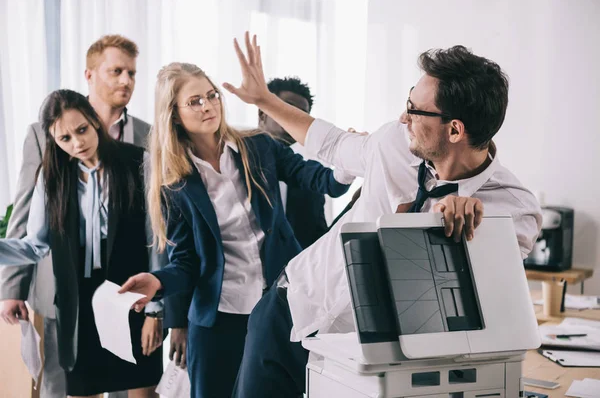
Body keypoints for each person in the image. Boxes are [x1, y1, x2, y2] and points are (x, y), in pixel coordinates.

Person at [219, 33, 543, 397]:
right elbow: (332, 143)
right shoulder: (395, 142)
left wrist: (472, 234)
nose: (403, 116)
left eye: (415, 109)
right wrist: (265, 100)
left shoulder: (511, 208)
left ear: (455, 129)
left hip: (363, 355)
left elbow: (488, 301)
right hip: (292, 306)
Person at [118, 62, 353, 398]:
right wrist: (158, 282)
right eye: (195, 101)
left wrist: (347, 161)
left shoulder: (258, 146)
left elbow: (321, 180)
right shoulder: (174, 183)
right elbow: (185, 262)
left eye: (211, 96)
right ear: (173, 114)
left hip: (277, 306)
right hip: (218, 318)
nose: (208, 106)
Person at [0, 34, 158, 398]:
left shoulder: (141, 151)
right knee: (72, 388)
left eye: (131, 72)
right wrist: (12, 285)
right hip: (74, 295)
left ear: (93, 122)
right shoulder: (52, 172)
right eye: (65, 139)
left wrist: (159, 308)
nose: (76, 143)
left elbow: (157, 235)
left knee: (139, 389)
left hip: (130, 291)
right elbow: (33, 239)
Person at [259, 76, 331, 249]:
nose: (293, 119)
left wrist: (352, 206)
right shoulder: (232, 164)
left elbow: (320, 244)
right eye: (288, 109)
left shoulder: (310, 183)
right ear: (263, 113)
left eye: (301, 115)